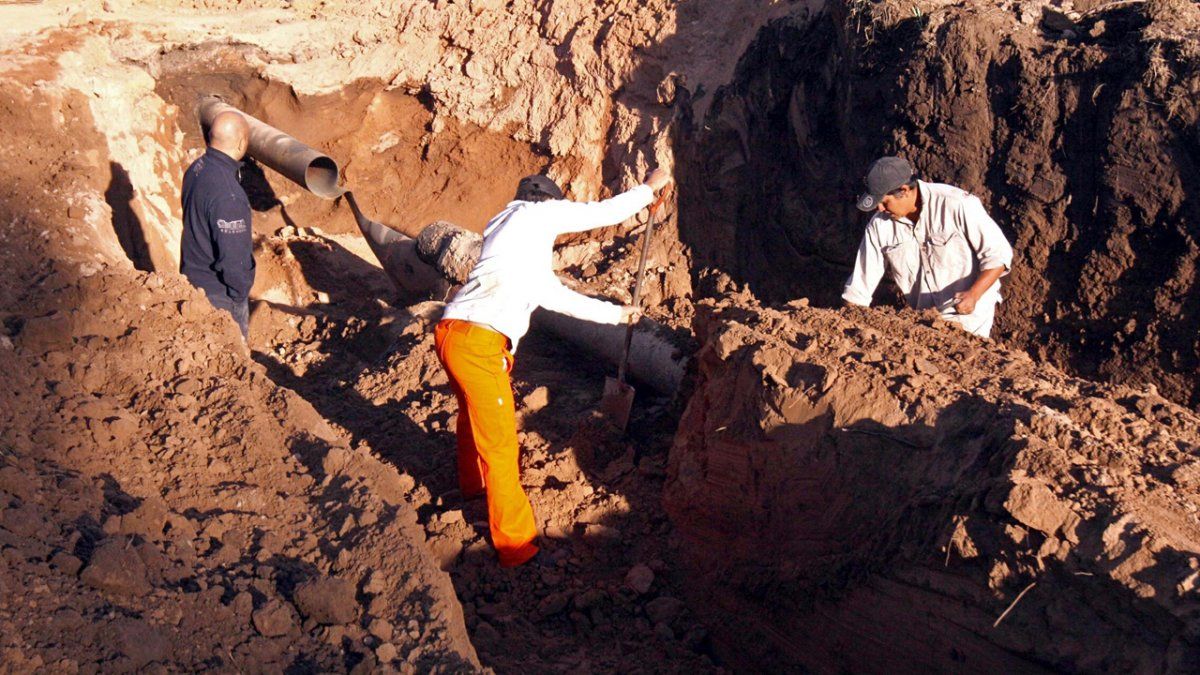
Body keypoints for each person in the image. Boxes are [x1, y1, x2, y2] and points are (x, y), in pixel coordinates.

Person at [435, 168, 673, 567]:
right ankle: (516, 548)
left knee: (470, 420)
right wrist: (646, 192)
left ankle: (475, 493)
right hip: (478, 343)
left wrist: (614, 316)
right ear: (548, 202)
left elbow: (549, 292)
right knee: (500, 445)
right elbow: (601, 213)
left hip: (452, 332)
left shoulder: (505, 231)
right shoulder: (536, 215)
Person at [842, 156, 1014, 338]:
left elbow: (998, 256)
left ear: (905, 190)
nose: (881, 209)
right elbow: (860, 286)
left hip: (970, 315)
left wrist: (973, 294)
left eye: (885, 202)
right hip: (924, 321)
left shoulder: (956, 204)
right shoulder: (880, 225)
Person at [180, 111, 254, 340]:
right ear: (241, 142)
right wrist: (239, 294)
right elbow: (234, 260)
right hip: (219, 295)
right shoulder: (230, 197)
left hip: (193, 279)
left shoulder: (197, 168)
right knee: (233, 360)